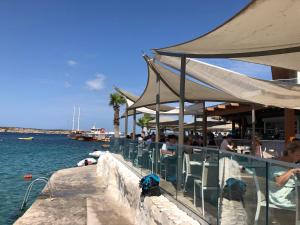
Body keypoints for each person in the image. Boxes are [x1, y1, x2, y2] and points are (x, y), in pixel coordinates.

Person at [269, 142, 300, 209]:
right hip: (281, 196)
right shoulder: (277, 163)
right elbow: (279, 183)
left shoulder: (291, 163)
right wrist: (292, 171)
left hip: (291, 192)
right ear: (289, 152)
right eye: (297, 155)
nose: (299, 158)